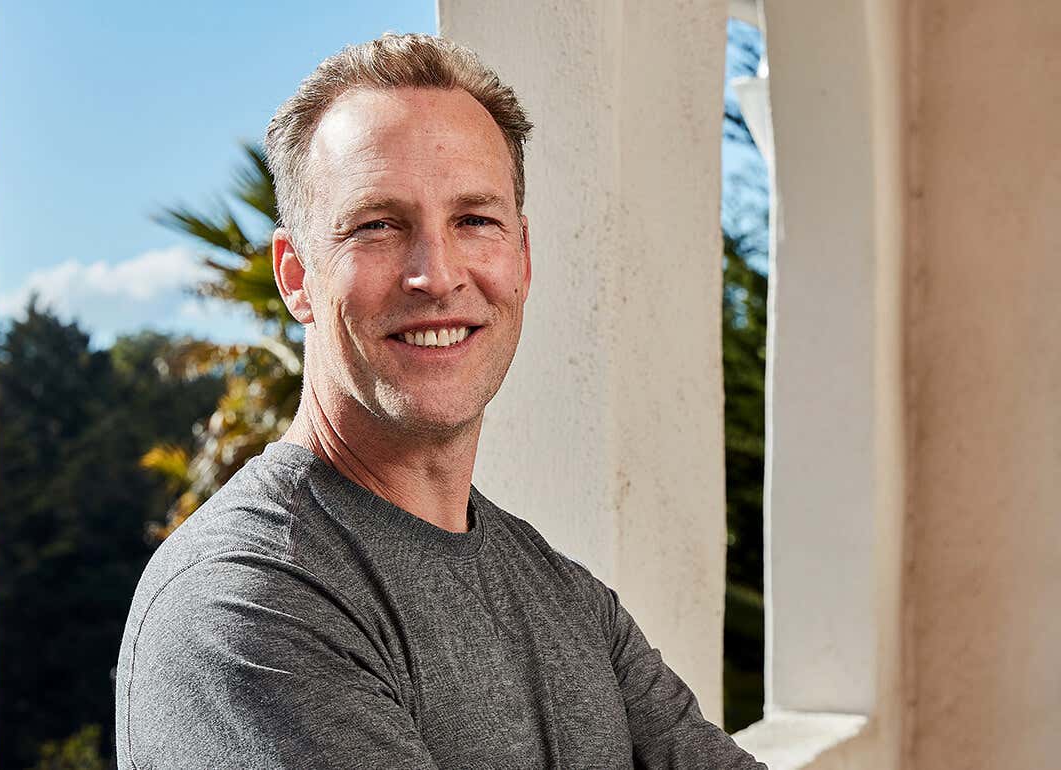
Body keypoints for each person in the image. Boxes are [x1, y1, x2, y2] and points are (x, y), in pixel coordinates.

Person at [115, 33, 765, 770]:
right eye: (378, 225)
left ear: (521, 259)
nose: (436, 274)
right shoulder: (244, 604)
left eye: (474, 220)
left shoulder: (567, 598)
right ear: (296, 276)